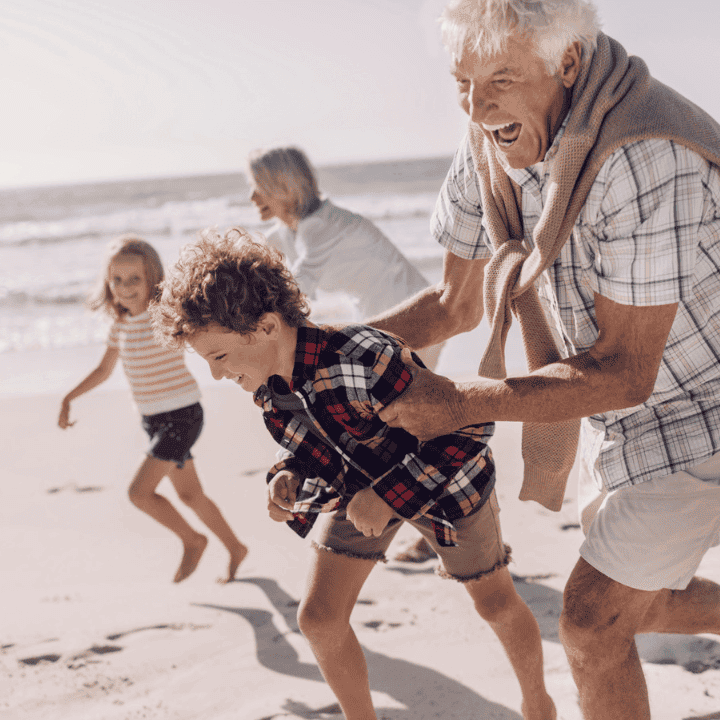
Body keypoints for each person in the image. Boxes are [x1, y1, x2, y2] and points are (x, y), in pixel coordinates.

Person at [366, 2, 720, 719]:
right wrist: (317, 353)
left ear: (567, 62)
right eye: (462, 82)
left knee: (591, 618)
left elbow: (626, 372)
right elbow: (455, 304)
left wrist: (461, 402)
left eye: (502, 79)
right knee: (637, 592)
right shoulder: (491, 137)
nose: (478, 106)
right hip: (612, 384)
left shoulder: (641, 154)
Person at [151, 227, 558, 720]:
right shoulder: (267, 386)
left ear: (266, 327)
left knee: (494, 603)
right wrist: (288, 479)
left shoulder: (363, 357)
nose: (216, 375)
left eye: (218, 356)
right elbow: (315, 450)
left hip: (449, 485)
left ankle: (539, 703)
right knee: (319, 618)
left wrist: (388, 497)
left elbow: (467, 428)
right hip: (360, 491)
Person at [248, 145, 443, 563]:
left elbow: (295, 292)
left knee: (407, 427)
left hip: (413, 317)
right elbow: (268, 272)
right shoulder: (291, 232)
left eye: (259, 188)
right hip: (381, 321)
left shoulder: (321, 226)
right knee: (398, 428)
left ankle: (442, 529)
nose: (252, 198)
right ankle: (433, 527)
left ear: (285, 187)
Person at [58, 235, 248, 584]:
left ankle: (193, 540)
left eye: (135, 279)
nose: (125, 287)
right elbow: (103, 370)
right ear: (108, 282)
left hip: (182, 415)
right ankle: (235, 547)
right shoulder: (120, 327)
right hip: (153, 420)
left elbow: (206, 334)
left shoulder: (165, 315)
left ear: (152, 280)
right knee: (190, 494)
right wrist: (69, 397)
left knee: (139, 493)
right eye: (117, 280)